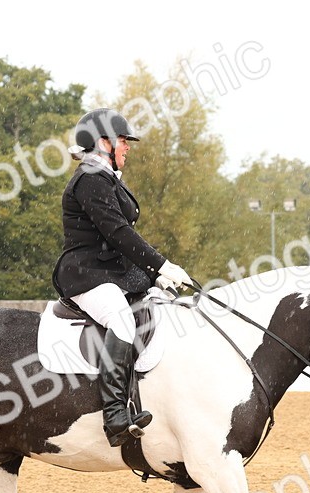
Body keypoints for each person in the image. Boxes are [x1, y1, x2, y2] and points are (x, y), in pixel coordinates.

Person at [52, 108, 193, 447]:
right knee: (121, 320)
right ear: (103, 143)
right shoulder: (89, 178)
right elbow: (117, 233)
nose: (128, 147)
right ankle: (115, 414)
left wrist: (152, 275)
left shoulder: (105, 177)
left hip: (109, 271)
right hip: (85, 274)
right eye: (123, 141)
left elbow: (120, 239)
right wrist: (159, 265)